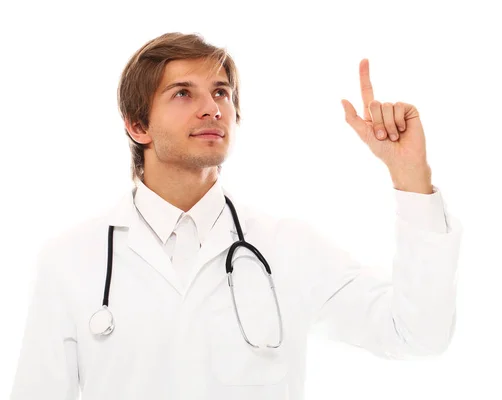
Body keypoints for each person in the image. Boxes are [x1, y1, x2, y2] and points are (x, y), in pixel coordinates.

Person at [10, 32, 463, 400]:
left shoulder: (287, 247)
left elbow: (417, 335)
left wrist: (410, 180)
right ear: (137, 125)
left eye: (221, 93)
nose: (212, 107)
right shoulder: (70, 261)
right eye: (183, 93)